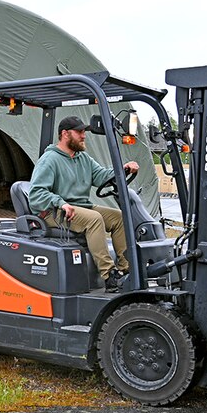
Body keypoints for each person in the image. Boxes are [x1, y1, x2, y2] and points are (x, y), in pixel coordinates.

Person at [28, 116, 139, 292]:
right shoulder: (49, 159)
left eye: (84, 132)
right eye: (79, 132)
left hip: (80, 207)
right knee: (94, 219)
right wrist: (60, 202)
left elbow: (101, 176)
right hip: (54, 211)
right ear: (65, 134)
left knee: (118, 217)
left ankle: (127, 270)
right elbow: (36, 193)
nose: (83, 136)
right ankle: (109, 276)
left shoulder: (83, 158)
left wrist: (122, 168)